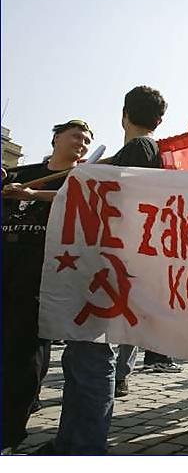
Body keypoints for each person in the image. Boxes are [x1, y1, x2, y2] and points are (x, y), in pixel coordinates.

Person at [40, 86, 168, 455]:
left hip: (109, 266)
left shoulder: (137, 151)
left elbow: (93, 196)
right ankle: (72, 439)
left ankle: (83, 446)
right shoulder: (145, 152)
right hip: (113, 263)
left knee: (93, 357)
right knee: (81, 354)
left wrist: (36, 195)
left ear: (124, 114)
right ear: (159, 119)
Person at [2, 119, 94, 454]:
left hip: (39, 270)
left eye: (86, 139)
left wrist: (31, 194)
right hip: (5, 260)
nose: (81, 143)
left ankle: (10, 431)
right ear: (56, 138)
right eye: (76, 136)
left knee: (25, 352)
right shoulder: (22, 171)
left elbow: (75, 202)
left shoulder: (80, 179)